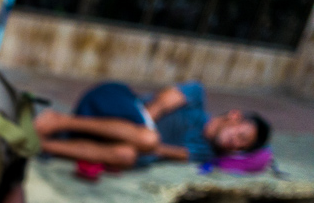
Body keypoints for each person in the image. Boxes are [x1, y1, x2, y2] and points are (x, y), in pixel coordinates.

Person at [33, 81, 271, 172]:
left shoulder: (204, 151)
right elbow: (158, 106)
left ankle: (43, 145)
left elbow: (164, 152)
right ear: (234, 116)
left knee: (126, 155)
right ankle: (59, 120)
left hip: (112, 139)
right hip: (111, 102)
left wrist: (140, 141)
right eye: (240, 134)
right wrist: (142, 133)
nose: (234, 141)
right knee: (148, 140)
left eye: (241, 144)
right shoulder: (196, 95)